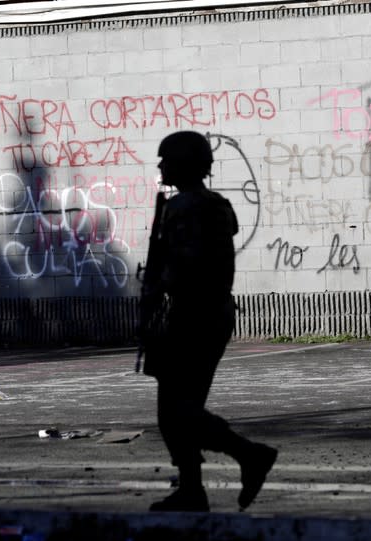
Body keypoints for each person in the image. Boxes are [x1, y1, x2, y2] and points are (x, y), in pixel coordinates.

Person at [140, 131, 277, 513]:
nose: (161, 166)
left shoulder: (183, 208)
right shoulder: (217, 204)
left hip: (193, 314)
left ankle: (248, 454)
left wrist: (154, 291)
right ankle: (192, 488)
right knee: (183, 406)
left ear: (182, 164)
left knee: (175, 410)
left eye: (166, 160)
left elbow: (185, 265)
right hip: (212, 313)